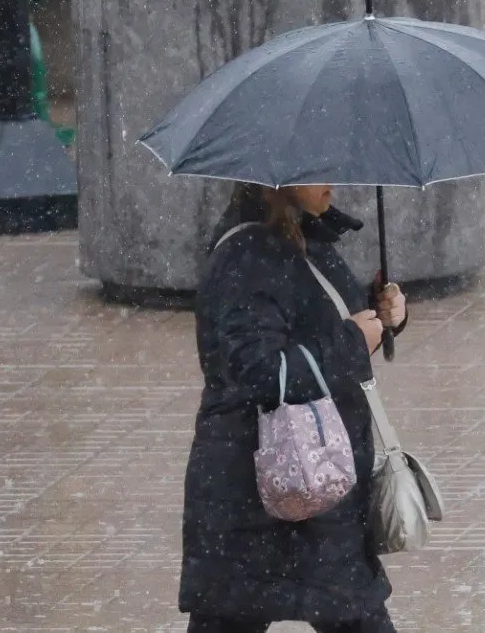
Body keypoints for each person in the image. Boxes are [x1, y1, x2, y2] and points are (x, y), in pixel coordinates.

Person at [180, 182, 408, 633]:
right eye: (318, 172)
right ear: (278, 181)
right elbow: (260, 371)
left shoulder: (304, 238)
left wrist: (379, 315)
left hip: (313, 482)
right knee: (236, 613)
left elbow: (310, 322)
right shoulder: (246, 257)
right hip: (258, 486)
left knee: (345, 612)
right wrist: (351, 342)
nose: (333, 184)